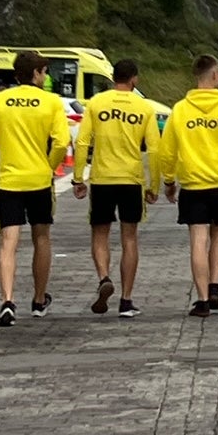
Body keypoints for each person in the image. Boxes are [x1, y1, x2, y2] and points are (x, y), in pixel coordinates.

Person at [0, 49, 71, 327]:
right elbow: (62, 142)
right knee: (41, 238)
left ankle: (7, 300)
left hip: (9, 180)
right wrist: (49, 166)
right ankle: (39, 299)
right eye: (44, 72)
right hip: (39, 180)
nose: (45, 77)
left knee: (9, 242)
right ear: (36, 73)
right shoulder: (51, 102)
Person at [158, 55, 218, 318]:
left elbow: (167, 150)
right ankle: (214, 286)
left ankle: (201, 300)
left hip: (192, 183)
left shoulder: (180, 109)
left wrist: (168, 181)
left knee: (198, 240)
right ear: (216, 75)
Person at [70, 57, 159, 319]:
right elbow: (154, 148)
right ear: (135, 79)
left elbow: (83, 140)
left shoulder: (96, 103)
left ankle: (103, 277)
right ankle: (126, 299)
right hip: (130, 179)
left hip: (102, 178)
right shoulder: (144, 107)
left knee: (100, 233)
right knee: (129, 238)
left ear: (112, 78)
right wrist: (154, 184)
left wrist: (78, 177)